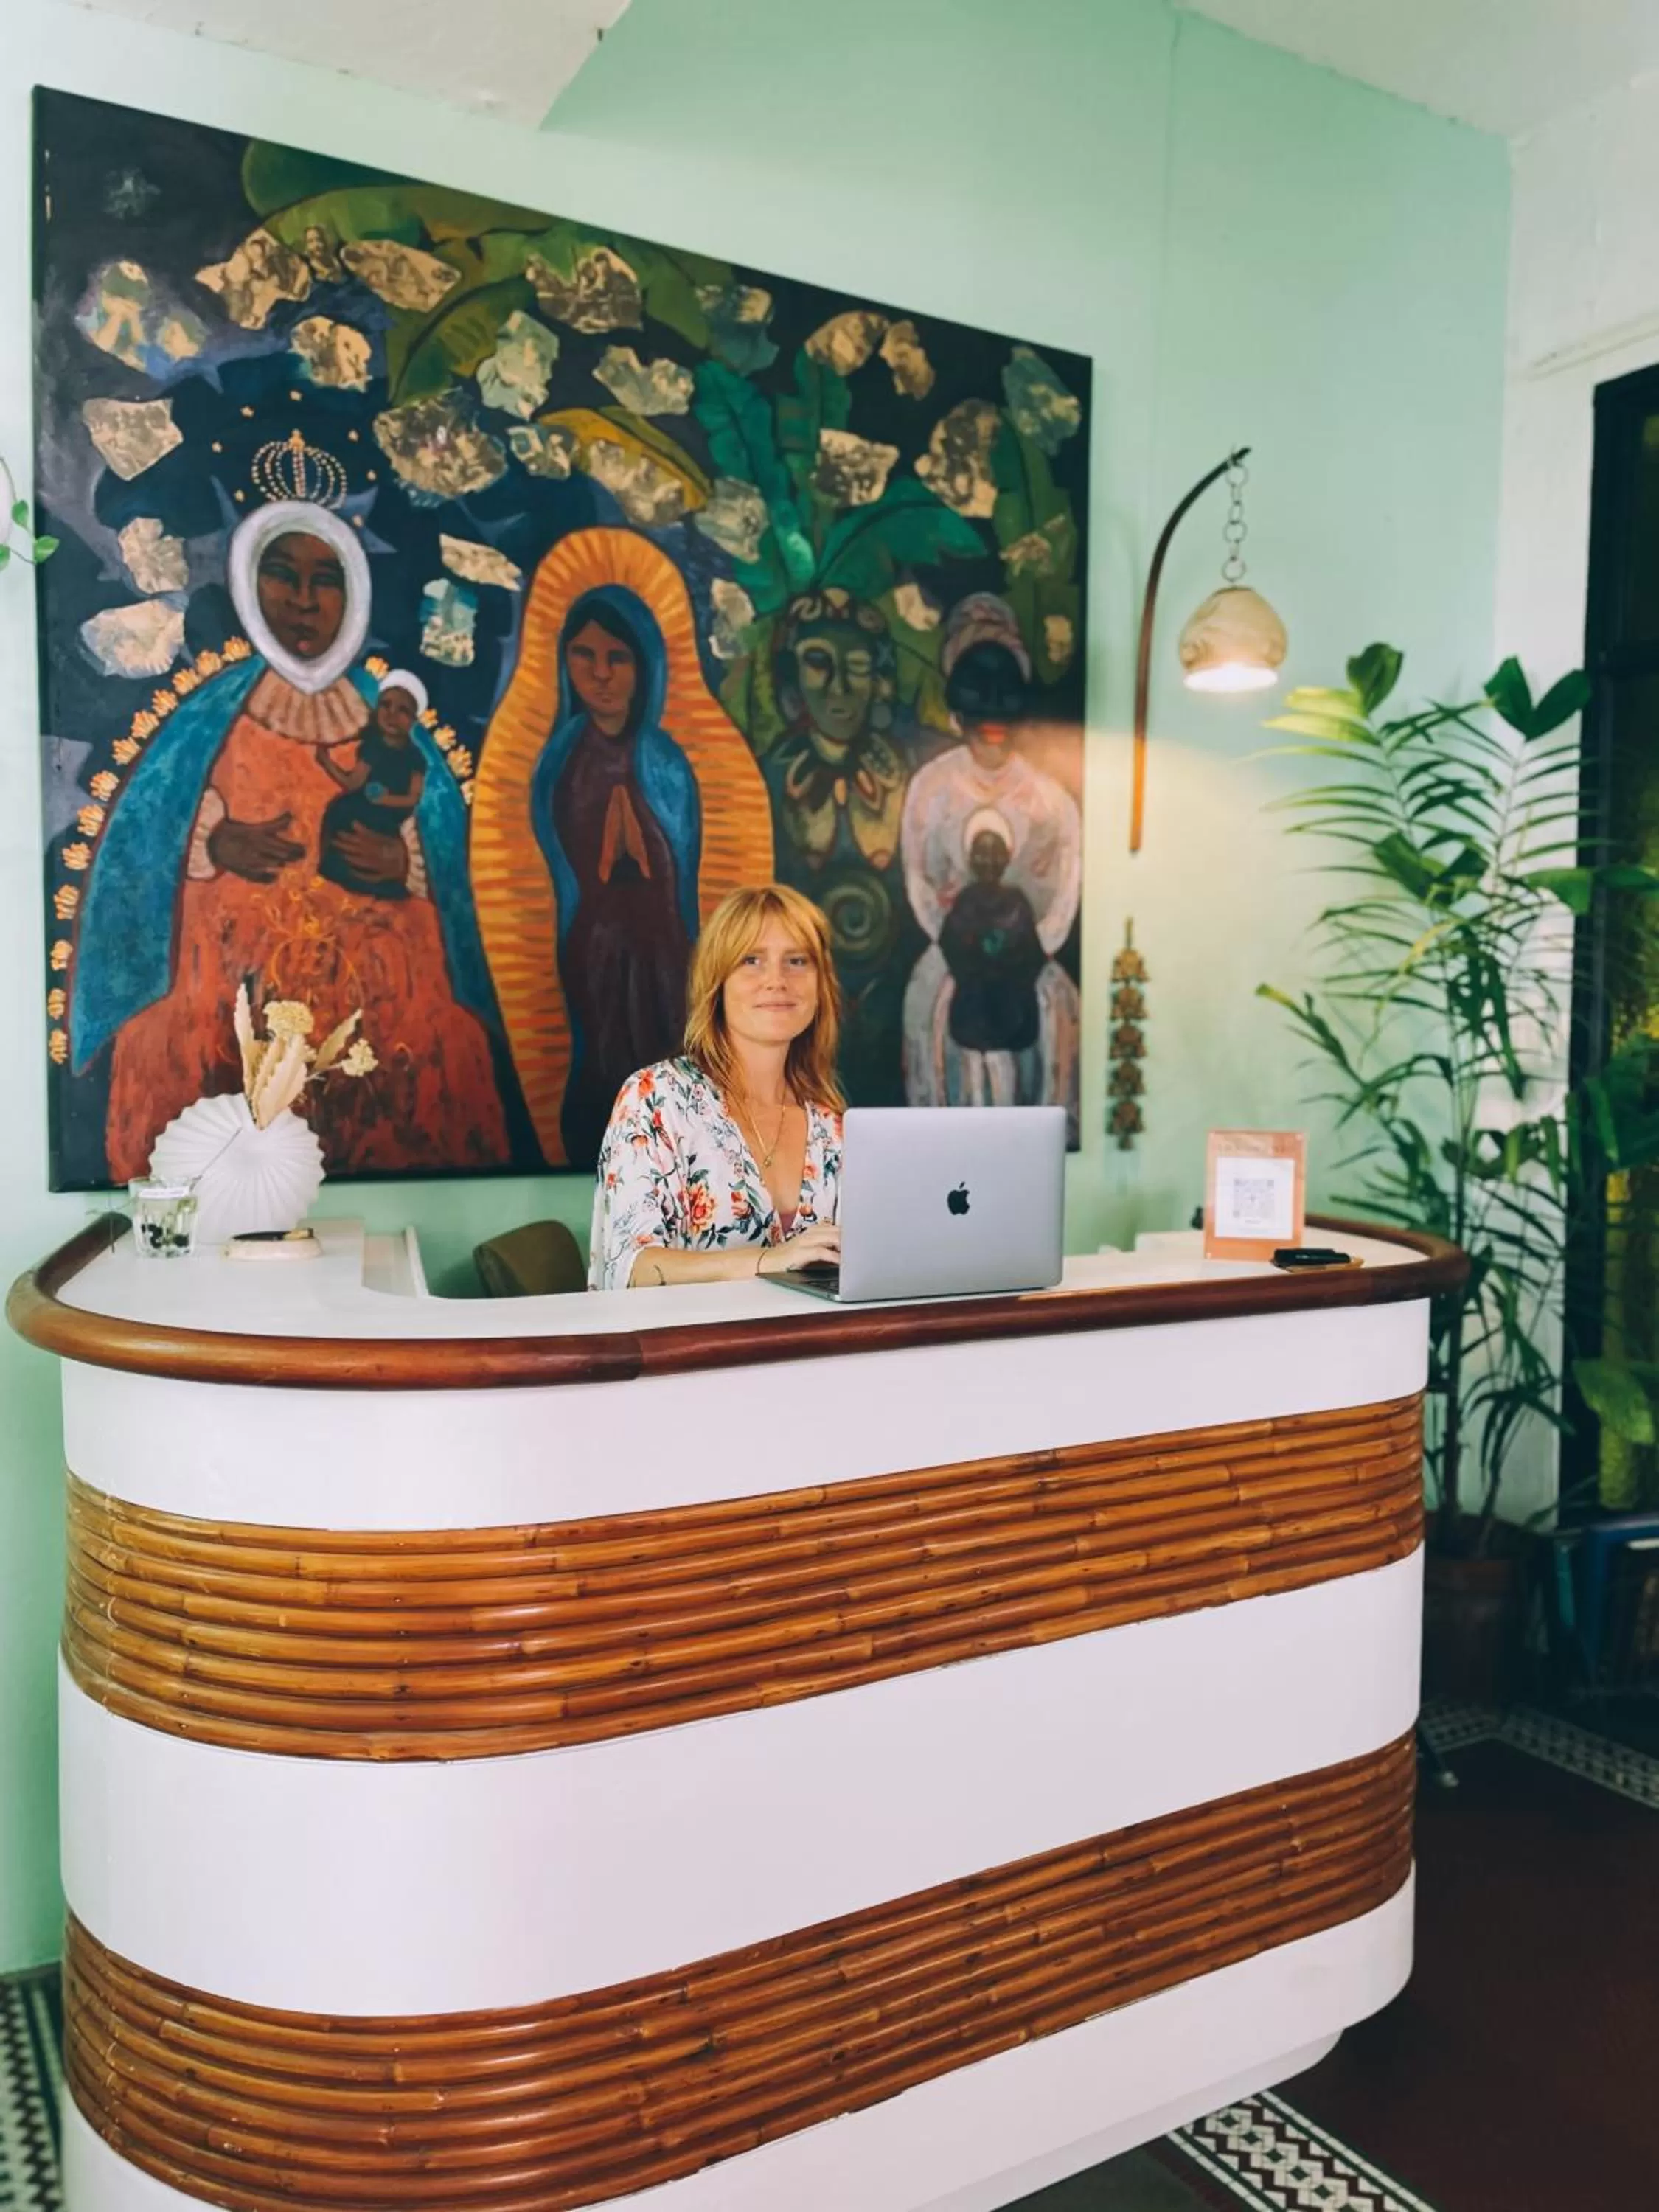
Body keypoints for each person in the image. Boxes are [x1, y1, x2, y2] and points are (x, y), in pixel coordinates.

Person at [72, 492, 508, 1178]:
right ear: (250, 585)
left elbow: (457, 867)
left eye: (326, 580)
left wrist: (404, 860)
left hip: (386, 998)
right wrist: (214, 845)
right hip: (230, 994)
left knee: (444, 1049)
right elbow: (149, 842)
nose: (305, 599)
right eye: (283, 575)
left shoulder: (395, 725)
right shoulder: (208, 718)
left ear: (353, 596)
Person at [588, 883, 844, 1290]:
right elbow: (633, 1270)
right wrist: (770, 1261)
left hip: (818, 1350)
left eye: (797, 961)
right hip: (685, 1349)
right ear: (716, 982)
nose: (777, 980)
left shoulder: (835, 1127)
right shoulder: (655, 1098)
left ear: (820, 986)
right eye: (751, 960)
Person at [900, 592, 1082, 1138]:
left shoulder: (1050, 799)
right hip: (952, 965)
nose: (991, 723)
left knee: (1051, 1023)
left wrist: (1023, 953)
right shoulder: (931, 788)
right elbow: (920, 880)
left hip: (1031, 966)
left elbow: (1064, 891)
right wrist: (964, 948)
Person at [533, 587, 700, 1169]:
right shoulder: (560, 758)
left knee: (663, 1053)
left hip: (661, 941)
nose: (600, 674)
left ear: (643, 665)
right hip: (593, 940)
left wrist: (636, 838)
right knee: (601, 1055)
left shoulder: (664, 758)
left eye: (617, 658)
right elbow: (564, 865)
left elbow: (677, 869)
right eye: (584, 656)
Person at [939, 809, 1046, 1060]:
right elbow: (952, 949)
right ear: (970, 857)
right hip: (972, 1013)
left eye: (995, 853)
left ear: (1007, 857)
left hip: (1017, 1013)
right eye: (981, 853)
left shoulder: (1018, 903)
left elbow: (1033, 957)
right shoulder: (964, 903)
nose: (988, 861)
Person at [316, 671, 428, 901]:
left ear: (414, 720)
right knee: (343, 815)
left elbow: (413, 798)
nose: (392, 715)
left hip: (390, 820)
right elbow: (352, 783)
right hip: (363, 809)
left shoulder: (416, 758)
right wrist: (327, 763)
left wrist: (387, 800)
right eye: (386, 705)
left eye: (403, 710)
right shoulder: (372, 748)